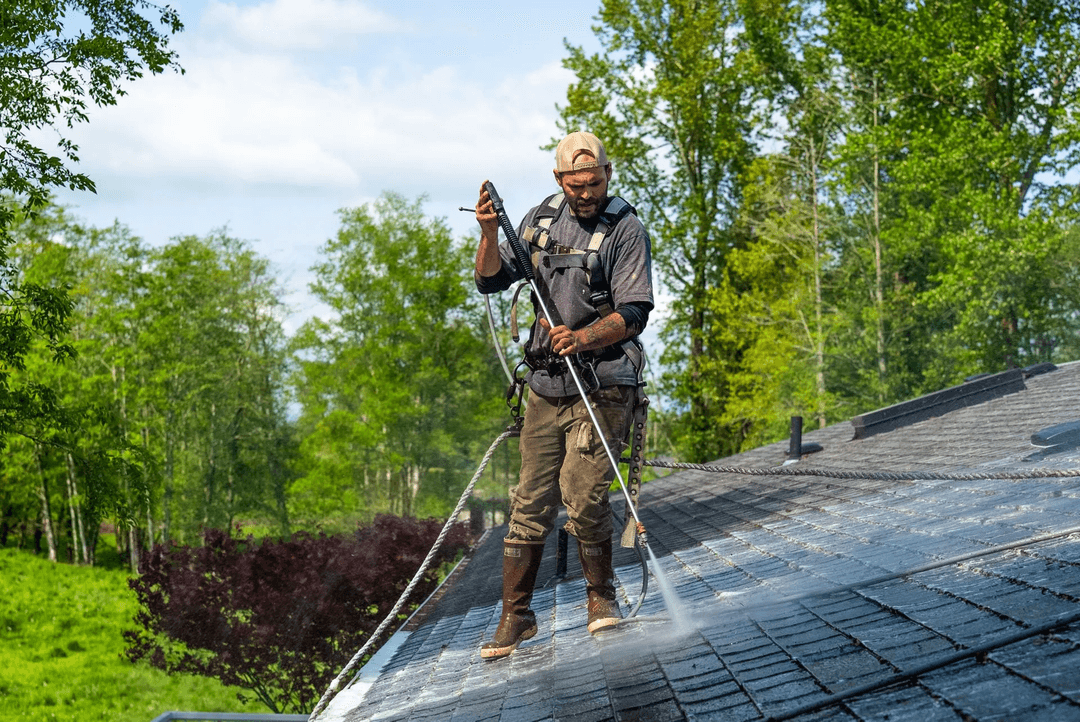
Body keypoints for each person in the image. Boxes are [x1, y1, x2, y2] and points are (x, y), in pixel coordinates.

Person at [473, 131, 654, 659]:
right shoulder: (537, 220)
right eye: (576, 186)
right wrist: (488, 232)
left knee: (583, 490)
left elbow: (635, 312)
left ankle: (601, 599)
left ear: (608, 173)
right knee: (529, 500)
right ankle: (516, 616)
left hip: (604, 382)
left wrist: (583, 337)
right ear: (559, 180)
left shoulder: (625, 229)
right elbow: (491, 280)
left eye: (594, 183)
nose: (586, 194)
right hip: (546, 385)